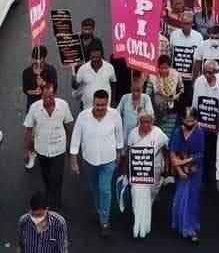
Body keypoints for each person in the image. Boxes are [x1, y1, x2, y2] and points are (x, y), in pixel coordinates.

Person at [69, 90, 123, 237]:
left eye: (103, 105)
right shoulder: (83, 116)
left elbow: (119, 135)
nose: (100, 108)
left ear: (108, 103)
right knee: (95, 190)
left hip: (108, 161)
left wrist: (119, 153)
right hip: (89, 161)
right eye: (97, 104)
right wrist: (74, 161)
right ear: (93, 102)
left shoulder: (114, 115)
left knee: (105, 189)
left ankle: (104, 220)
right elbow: (76, 138)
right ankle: (101, 212)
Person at [23, 82, 73, 209]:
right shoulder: (34, 108)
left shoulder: (63, 106)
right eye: (44, 97)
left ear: (55, 95)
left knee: (55, 177)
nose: (47, 100)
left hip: (59, 149)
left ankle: (55, 202)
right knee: (45, 176)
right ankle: (51, 196)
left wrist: (70, 146)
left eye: (50, 97)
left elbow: (68, 125)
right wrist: (27, 149)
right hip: (42, 149)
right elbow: (28, 128)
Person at [126, 111, 169, 239]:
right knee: (136, 195)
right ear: (139, 122)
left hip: (154, 169)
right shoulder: (133, 133)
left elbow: (165, 149)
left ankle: (144, 221)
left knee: (150, 195)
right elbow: (129, 152)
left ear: (152, 121)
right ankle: (138, 224)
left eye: (148, 122)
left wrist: (167, 166)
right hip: (136, 170)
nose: (145, 124)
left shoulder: (158, 133)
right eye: (143, 122)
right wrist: (126, 172)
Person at [169, 107, 205, 243]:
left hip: (195, 170)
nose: (189, 123)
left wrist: (184, 161)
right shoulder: (178, 132)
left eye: (192, 120)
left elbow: (200, 154)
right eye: (186, 120)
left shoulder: (199, 132)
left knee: (192, 199)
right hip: (180, 171)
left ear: (196, 120)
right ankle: (180, 223)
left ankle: (191, 228)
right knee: (180, 198)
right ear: (182, 119)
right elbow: (172, 153)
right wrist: (179, 170)